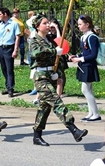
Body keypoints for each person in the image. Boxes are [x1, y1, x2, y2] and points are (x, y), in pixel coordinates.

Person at [29, 13, 88, 146]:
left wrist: (58, 71)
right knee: (56, 102)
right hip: (40, 77)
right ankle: (74, 130)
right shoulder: (34, 40)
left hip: (51, 75)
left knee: (44, 108)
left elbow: (58, 56)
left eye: (48, 23)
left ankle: (36, 136)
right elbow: (36, 53)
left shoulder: (49, 40)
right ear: (37, 26)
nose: (48, 25)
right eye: (45, 23)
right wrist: (54, 51)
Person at [69, 14, 101, 122]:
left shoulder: (92, 37)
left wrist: (80, 59)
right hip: (85, 66)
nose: (78, 26)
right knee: (88, 90)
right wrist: (76, 56)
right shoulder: (83, 37)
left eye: (80, 24)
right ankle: (91, 113)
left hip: (89, 66)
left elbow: (93, 55)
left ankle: (96, 114)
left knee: (85, 90)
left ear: (87, 25)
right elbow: (85, 53)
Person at [0, 7, 21, 97]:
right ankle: (8, 87)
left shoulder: (14, 24)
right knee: (4, 69)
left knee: (9, 69)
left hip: (9, 48)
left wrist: (15, 50)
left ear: (5, 14)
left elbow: (17, 37)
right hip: (1, 49)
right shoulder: (0, 25)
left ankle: (11, 89)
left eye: (0, 14)